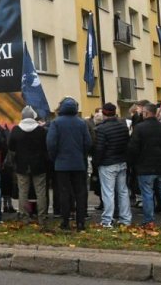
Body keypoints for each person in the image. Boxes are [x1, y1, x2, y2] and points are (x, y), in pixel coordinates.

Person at [46, 97, 91, 231]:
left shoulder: (56, 123)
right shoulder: (82, 123)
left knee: (64, 193)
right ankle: (81, 222)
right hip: (78, 163)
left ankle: (65, 222)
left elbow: (51, 143)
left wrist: (55, 158)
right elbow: (88, 143)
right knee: (80, 193)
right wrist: (82, 155)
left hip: (62, 164)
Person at [128, 103, 161, 228]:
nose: (142, 114)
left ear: (147, 113)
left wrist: (133, 163)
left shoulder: (139, 128)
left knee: (147, 194)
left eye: (143, 112)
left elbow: (133, 147)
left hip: (145, 166)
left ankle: (149, 220)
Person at [93, 102, 132, 228]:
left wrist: (96, 163)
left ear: (103, 113)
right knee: (123, 191)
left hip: (107, 163)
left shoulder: (101, 129)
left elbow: (99, 149)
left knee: (108, 192)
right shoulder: (123, 126)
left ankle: (107, 220)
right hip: (122, 161)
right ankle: (126, 218)